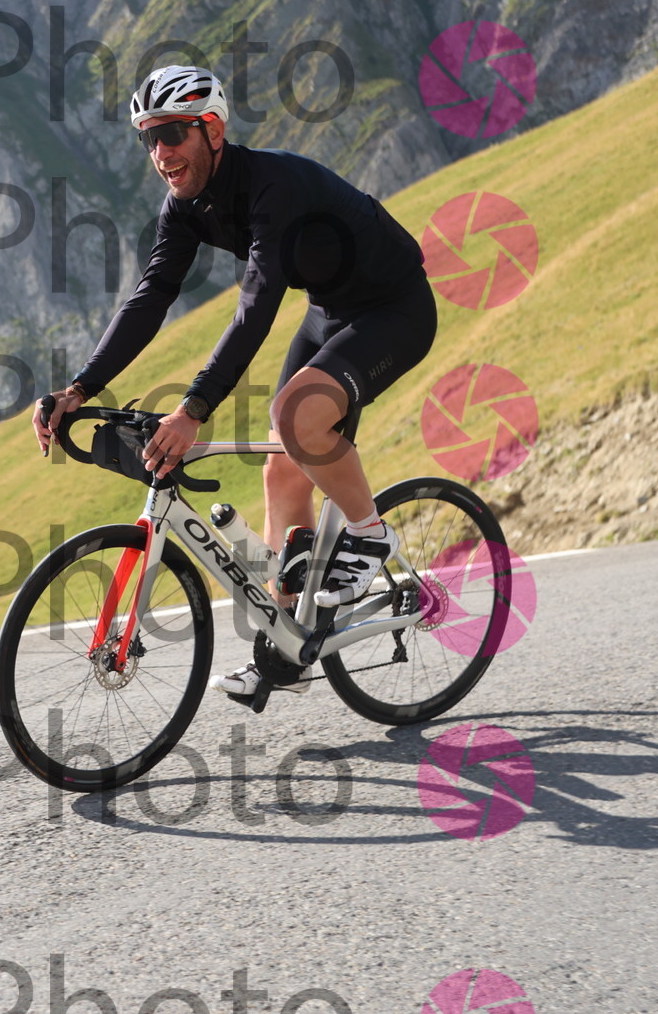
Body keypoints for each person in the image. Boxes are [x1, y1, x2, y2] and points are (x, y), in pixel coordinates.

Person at [31, 64, 437, 698]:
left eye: (173, 134)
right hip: (330, 310)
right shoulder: (183, 208)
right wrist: (78, 390)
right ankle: (287, 651)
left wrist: (193, 408)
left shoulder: (274, 187)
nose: (161, 153)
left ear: (212, 130)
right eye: (149, 138)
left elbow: (257, 304)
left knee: (296, 418)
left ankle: (369, 533)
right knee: (282, 471)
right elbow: (151, 297)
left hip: (395, 308)